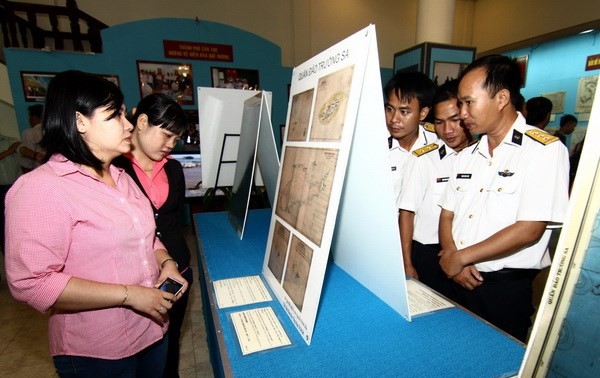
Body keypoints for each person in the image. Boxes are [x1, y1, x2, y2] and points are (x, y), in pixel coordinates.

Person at [4, 70, 188, 378]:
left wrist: (167, 263)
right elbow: (31, 282)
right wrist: (129, 294)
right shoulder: (41, 188)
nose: (128, 124)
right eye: (115, 115)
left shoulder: (120, 178)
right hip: (98, 351)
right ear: (79, 122)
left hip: (152, 332)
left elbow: (148, 238)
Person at [438, 55, 569, 342]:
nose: (462, 112)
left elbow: (529, 230)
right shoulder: (467, 155)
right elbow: (447, 214)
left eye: (468, 102)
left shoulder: (543, 151)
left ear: (501, 98)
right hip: (453, 278)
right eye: (460, 103)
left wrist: (460, 257)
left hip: (501, 291)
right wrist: (451, 259)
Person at [113, 93, 191, 378]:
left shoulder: (173, 167)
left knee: (171, 338)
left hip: (176, 270)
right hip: (134, 279)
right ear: (142, 122)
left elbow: (172, 220)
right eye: (167, 135)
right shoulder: (113, 168)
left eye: (176, 138)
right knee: (137, 348)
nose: (172, 145)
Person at [398, 80, 472, 298]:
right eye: (439, 123)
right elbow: (406, 213)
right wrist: (407, 263)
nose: (447, 130)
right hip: (428, 255)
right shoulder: (424, 159)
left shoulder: (481, 158)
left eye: (455, 121)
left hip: (468, 256)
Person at [383, 71, 437, 211]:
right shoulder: (376, 146)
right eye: (389, 109)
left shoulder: (438, 144)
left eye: (404, 112)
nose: (394, 119)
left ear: (423, 113)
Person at [0, 133, 22, 254]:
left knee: (20, 222)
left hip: (15, 187)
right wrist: (8, 152)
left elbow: (18, 144)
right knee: (3, 226)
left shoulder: (10, 140)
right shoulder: (10, 146)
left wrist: (11, 148)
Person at [20, 104, 46, 173]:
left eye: (29, 116)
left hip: (38, 172)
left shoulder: (29, 132)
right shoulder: (54, 131)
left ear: (34, 117)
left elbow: (27, 163)